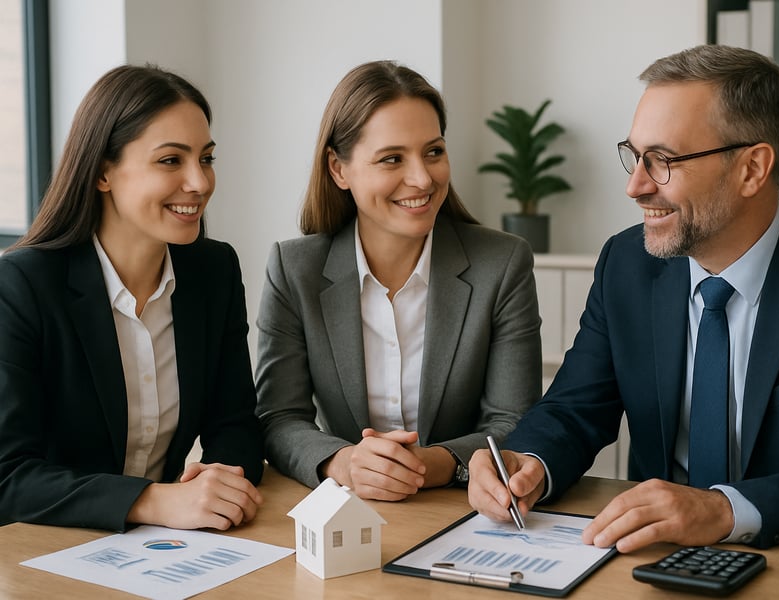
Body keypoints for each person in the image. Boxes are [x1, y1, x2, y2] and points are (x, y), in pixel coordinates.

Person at [468, 44, 779, 550]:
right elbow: (575, 409)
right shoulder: (625, 264)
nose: (635, 187)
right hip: (650, 557)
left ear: (752, 168)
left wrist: (721, 510)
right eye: (634, 156)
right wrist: (528, 465)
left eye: (663, 160)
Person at [255, 60, 542, 501]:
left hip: (463, 508)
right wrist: (344, 462)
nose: (423, 178)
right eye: (392, 158)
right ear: (338, 169)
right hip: (345, 510)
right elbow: (279, 417)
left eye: (434, 151)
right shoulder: (295, 270)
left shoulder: (502, 263)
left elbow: (514, 420)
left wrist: (433, 464)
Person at [0, 65, 265, 531]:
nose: (200, 183)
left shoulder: (213, 271)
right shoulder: (21, 286)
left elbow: (236, 425)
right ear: (104, 172)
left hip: (169, 551)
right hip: (45, 554)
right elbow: (9, 477)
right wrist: (152, 501)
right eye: (170, 161)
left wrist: (218, 479)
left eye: (206, 158)